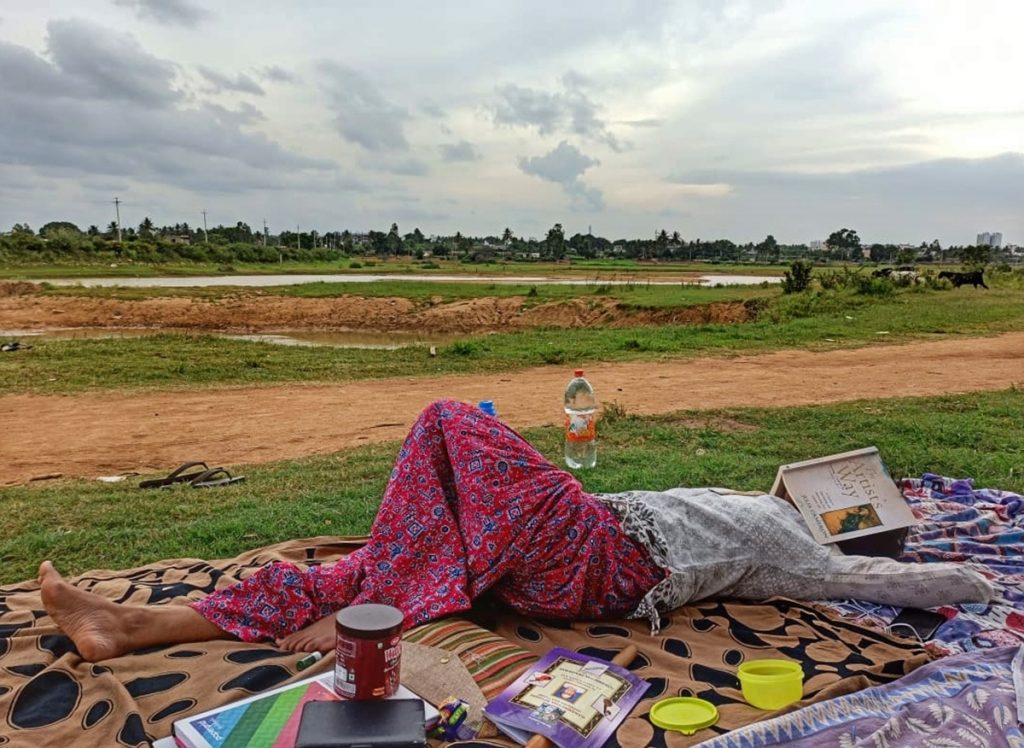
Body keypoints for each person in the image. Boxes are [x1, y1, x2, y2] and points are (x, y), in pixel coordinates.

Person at [39, 400, 993, 662]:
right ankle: (131, 628)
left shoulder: (795, 553)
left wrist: (966, 582)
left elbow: (905, 587)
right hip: (562, 548)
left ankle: (402, 599)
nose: (809, 506)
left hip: (608, 562)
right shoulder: (765, 499)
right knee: (362, 571)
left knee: (454, 420)